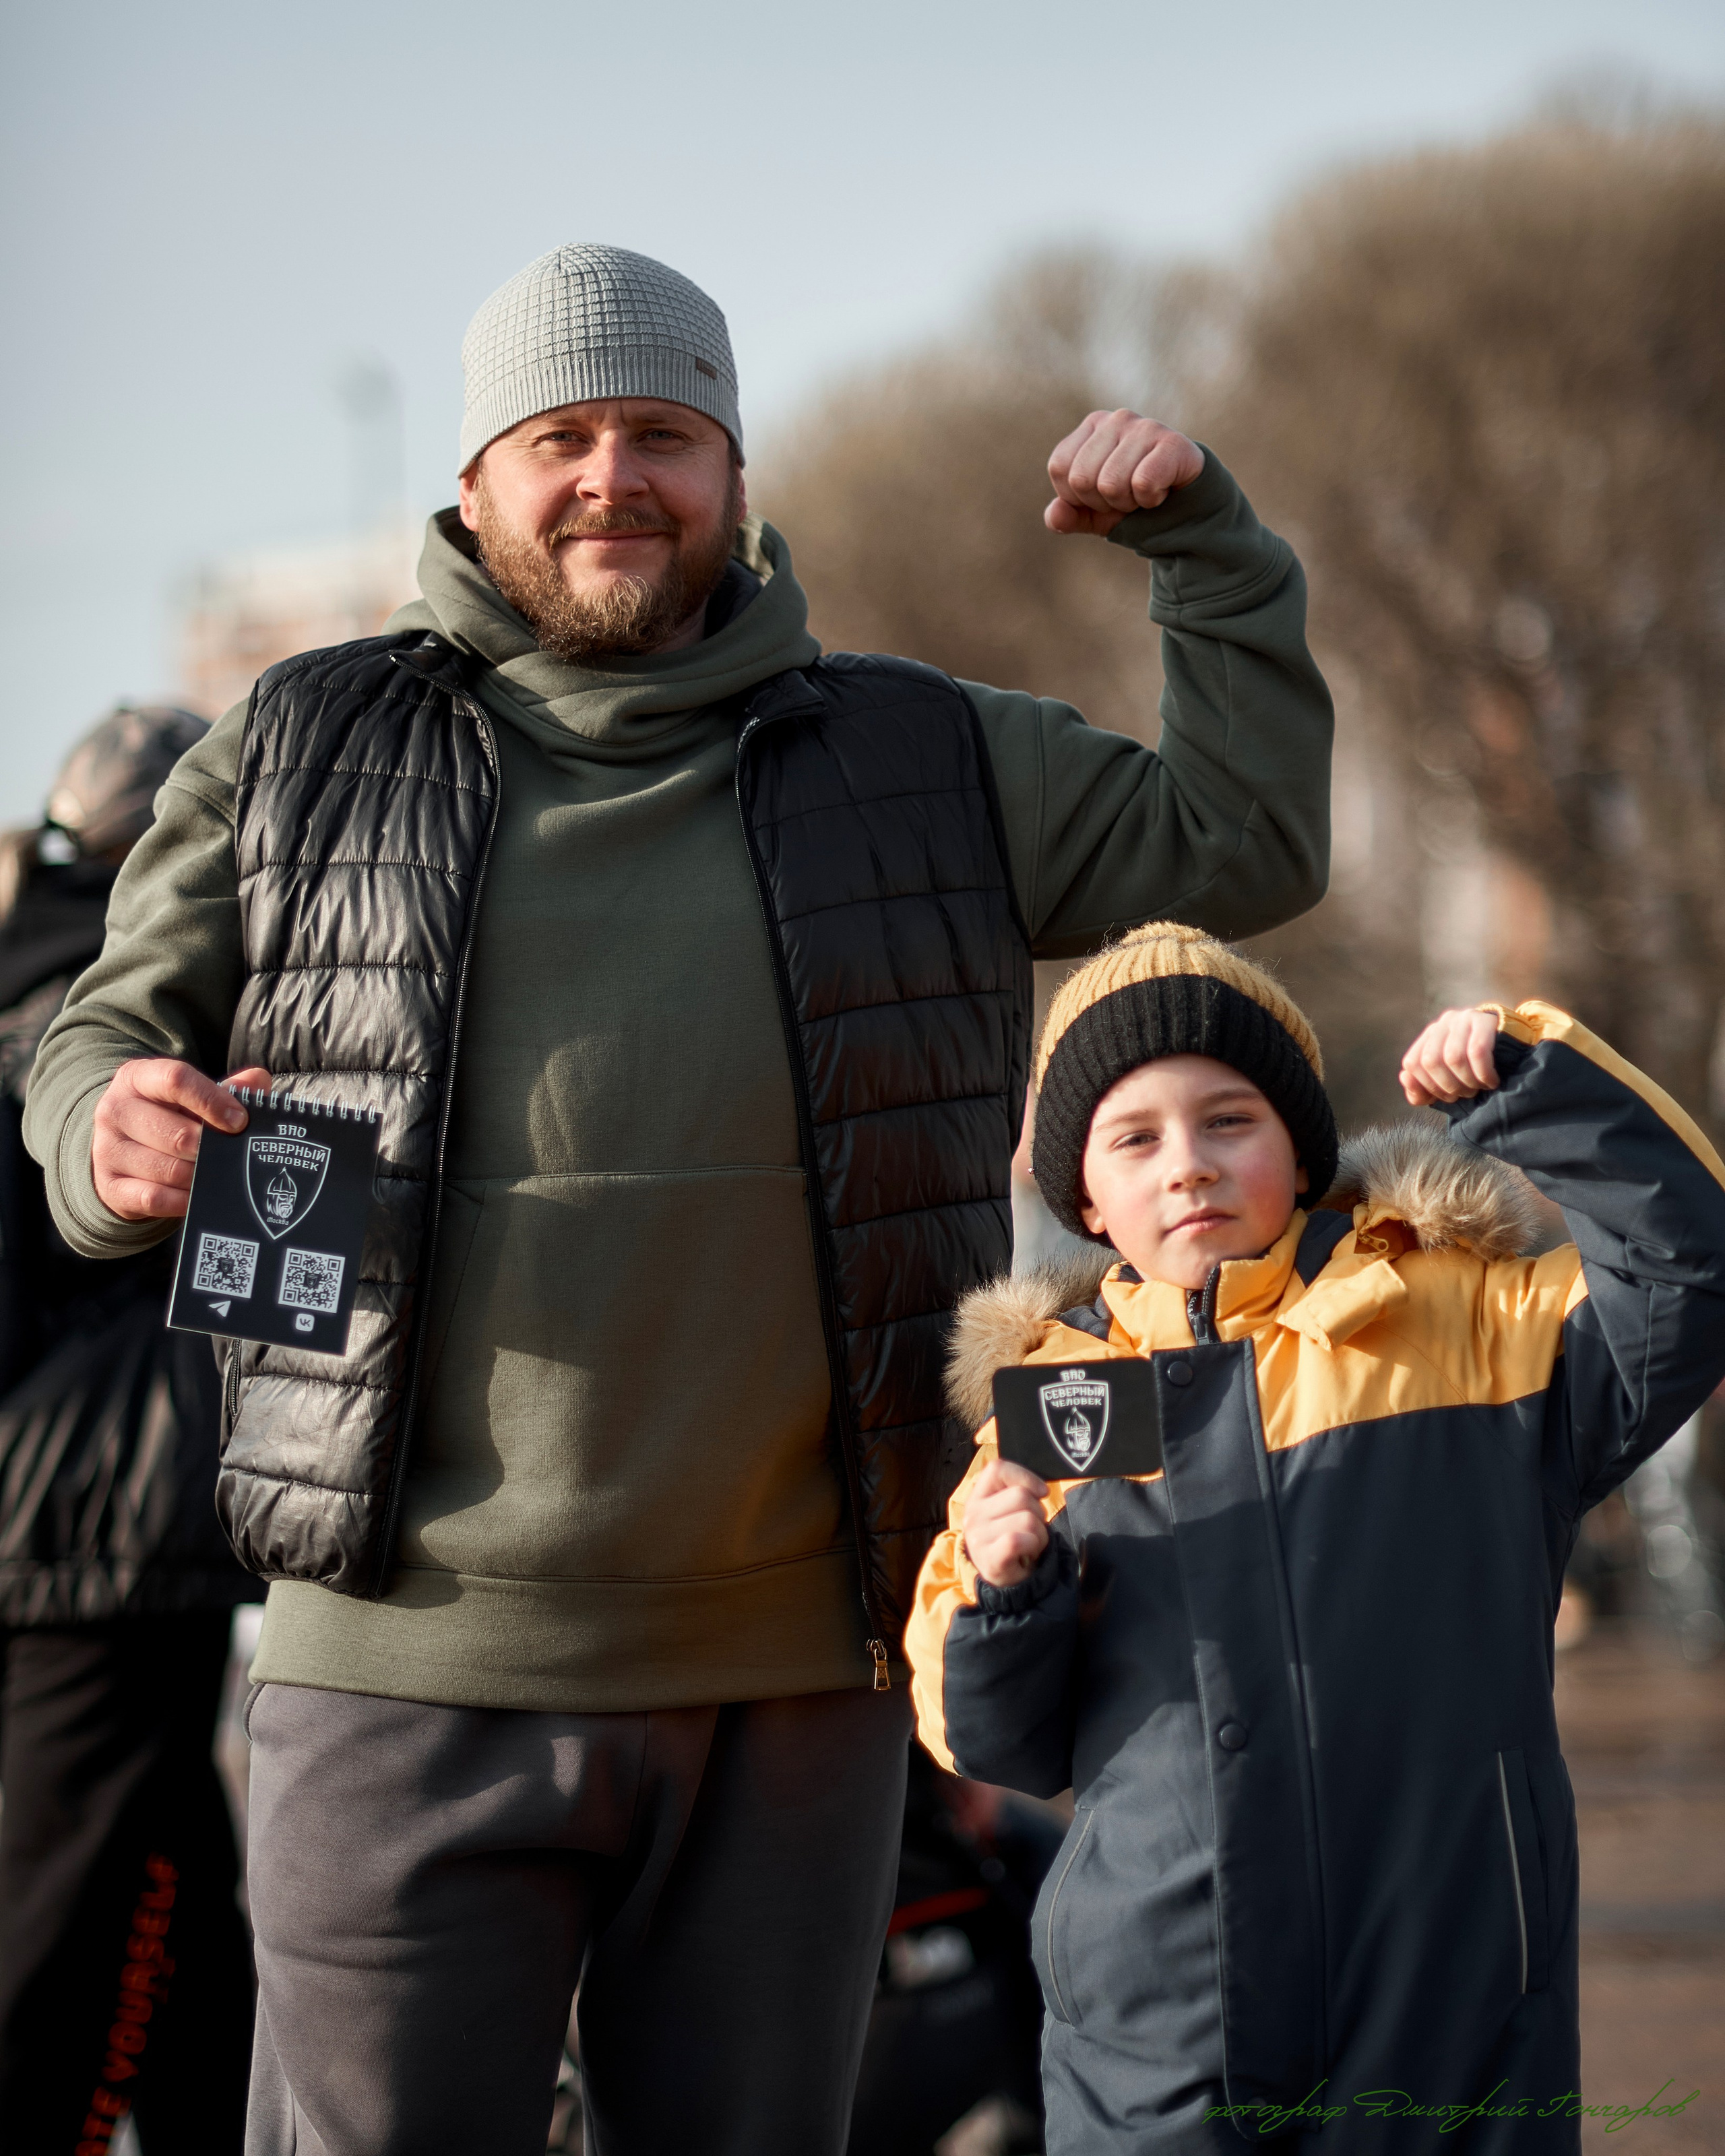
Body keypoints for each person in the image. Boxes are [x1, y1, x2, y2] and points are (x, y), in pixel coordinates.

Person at [23, 245, 1333, 2156]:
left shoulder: (924, 755)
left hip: (793, 1690)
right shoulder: (294, 749)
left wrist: (1209, 553)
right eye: (559, 435)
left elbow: (1248, 840)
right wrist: (103, 1134)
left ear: (733, 470)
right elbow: (98, 1036)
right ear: (474, 480)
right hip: (396, 1674)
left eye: (665, 433)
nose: (612, 477)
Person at [906, 923, 1725, 2152]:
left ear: (1300, 1146)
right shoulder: (1046, 1421)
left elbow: (1689, 1276)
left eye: (1229, 1120)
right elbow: (996, 1743)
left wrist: (1538, 1084)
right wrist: (1002, 1587)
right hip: (1156, 2034)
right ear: (1085, 1195)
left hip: (1447, 2009)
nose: (1187, 1166)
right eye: (1136, 1138)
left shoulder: (1471, 1326)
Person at [0, 707, 259, 2155]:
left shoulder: (12, 976)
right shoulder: (144, 1013)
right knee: (63, 1923)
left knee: (171, 1883)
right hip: (110, 1527)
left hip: (63, 1529)